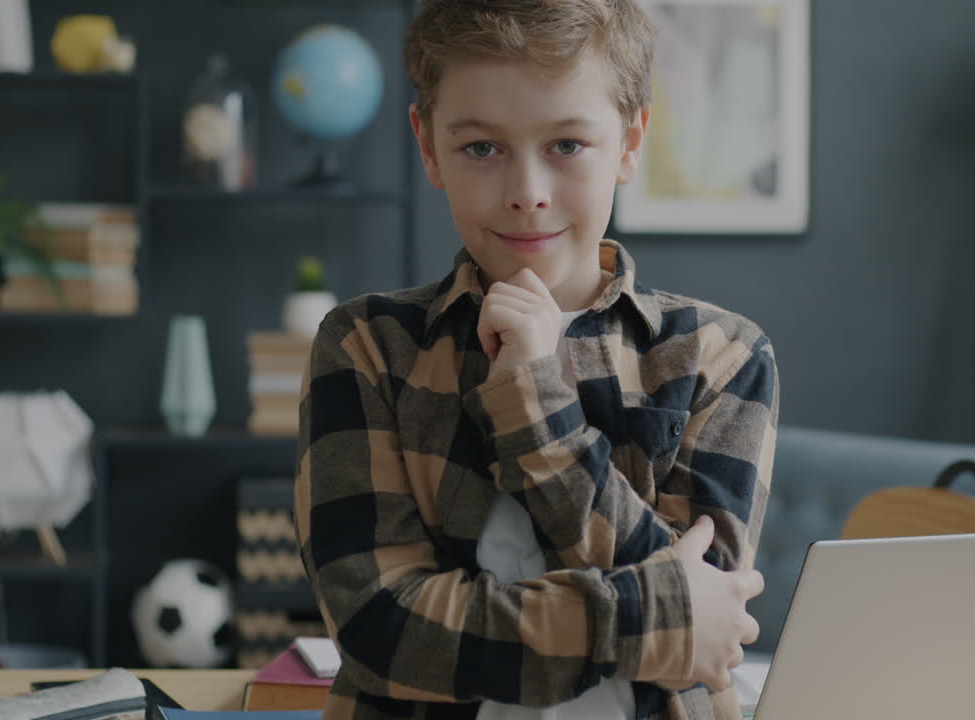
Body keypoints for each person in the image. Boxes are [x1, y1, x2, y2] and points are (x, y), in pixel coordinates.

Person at [293, 0, 779, 718]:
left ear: (630, 140)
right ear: (428, 146)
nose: (527, 194)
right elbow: (380, 630)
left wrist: (537, 408)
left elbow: (704, 635)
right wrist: (645, 619)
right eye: (482, 148)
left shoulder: (721, 356)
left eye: (567, 146)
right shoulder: (368, 346)